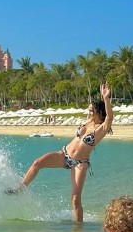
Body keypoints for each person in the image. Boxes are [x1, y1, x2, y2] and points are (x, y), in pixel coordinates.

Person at [9, 84, 113, 222]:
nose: (89, 113)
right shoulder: (89, 121)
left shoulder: (101, 128)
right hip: (64, 154)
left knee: (75, 199)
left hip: (79, 164)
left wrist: (105, 98)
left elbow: (109, 119)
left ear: (99, 112)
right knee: (37, 163)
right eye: (88, 110)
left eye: (91, 111)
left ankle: (78, 230)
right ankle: (20, 189)